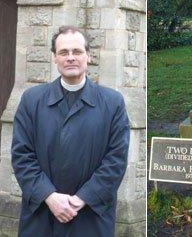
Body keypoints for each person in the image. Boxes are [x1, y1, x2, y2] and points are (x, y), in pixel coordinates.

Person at [11, 26, 130, 236]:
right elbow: (22, 156)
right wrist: (49, 196)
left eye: (77, 51)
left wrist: (81, 199)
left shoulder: (113, 103)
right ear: (54, 58)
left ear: (88, 56)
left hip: (90, 216)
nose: (71, 58)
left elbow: (116, 160)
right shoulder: (32, 100)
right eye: (64, 52)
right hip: (42, 215)